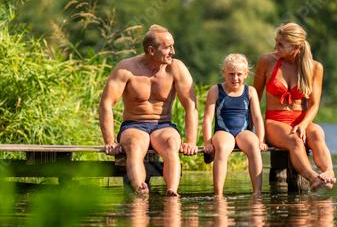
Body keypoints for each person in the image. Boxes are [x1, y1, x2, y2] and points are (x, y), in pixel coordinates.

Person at [99, 24, 198, 197]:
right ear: (151, 50)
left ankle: (172, 191)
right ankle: (140, 188)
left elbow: (191, 105)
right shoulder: (126, 69)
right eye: (167, 47)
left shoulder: (176, 68)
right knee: (135, 145)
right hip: (134, 125)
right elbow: (106, 103)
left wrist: (190, 141)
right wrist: (110, 141)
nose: (173, 51)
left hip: (163, 125)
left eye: (172, 46)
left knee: (171, 144)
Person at [253, 22, 336, 190]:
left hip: (301, 120)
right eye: (276, 42)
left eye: (281, 44)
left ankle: (329, 173)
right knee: (295, 141)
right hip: (274, 121)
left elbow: (314, 105)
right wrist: (255, 131)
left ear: (296, 46)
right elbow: (253, 97)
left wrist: (303, 125)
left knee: (318, 132)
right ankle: (313, 178)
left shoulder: (315, 67)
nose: (275, 47)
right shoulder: (266, 61)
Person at [202, 54, 266, 196]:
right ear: (224, 73)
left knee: (253, 145)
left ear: (246, 74)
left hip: (244, 132)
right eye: (231, 74)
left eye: (239, 74)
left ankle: (257, 192)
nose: (235, 78)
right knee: (223, 148)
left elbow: (257, 117)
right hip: (223, 132)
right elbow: (207, 118)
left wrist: (261, 140)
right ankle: (218, 194)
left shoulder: (250, 91)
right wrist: (208, 142)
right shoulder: (216, 90)